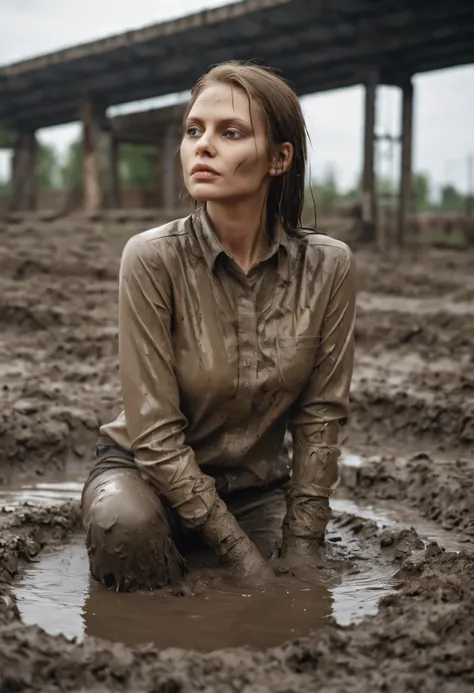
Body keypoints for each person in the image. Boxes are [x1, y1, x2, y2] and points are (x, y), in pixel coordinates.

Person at [81, 61, 356, 592]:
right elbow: (155, 436)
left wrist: (301, 551)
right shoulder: (150, 257)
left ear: (280, 158)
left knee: (301, 586)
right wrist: (242, 559)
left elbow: (320, 417)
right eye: (193, 131)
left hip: (254, 490)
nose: (202, 146)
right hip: (143, 476)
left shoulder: (329, 266)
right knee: (129, 528)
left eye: (230, 133)